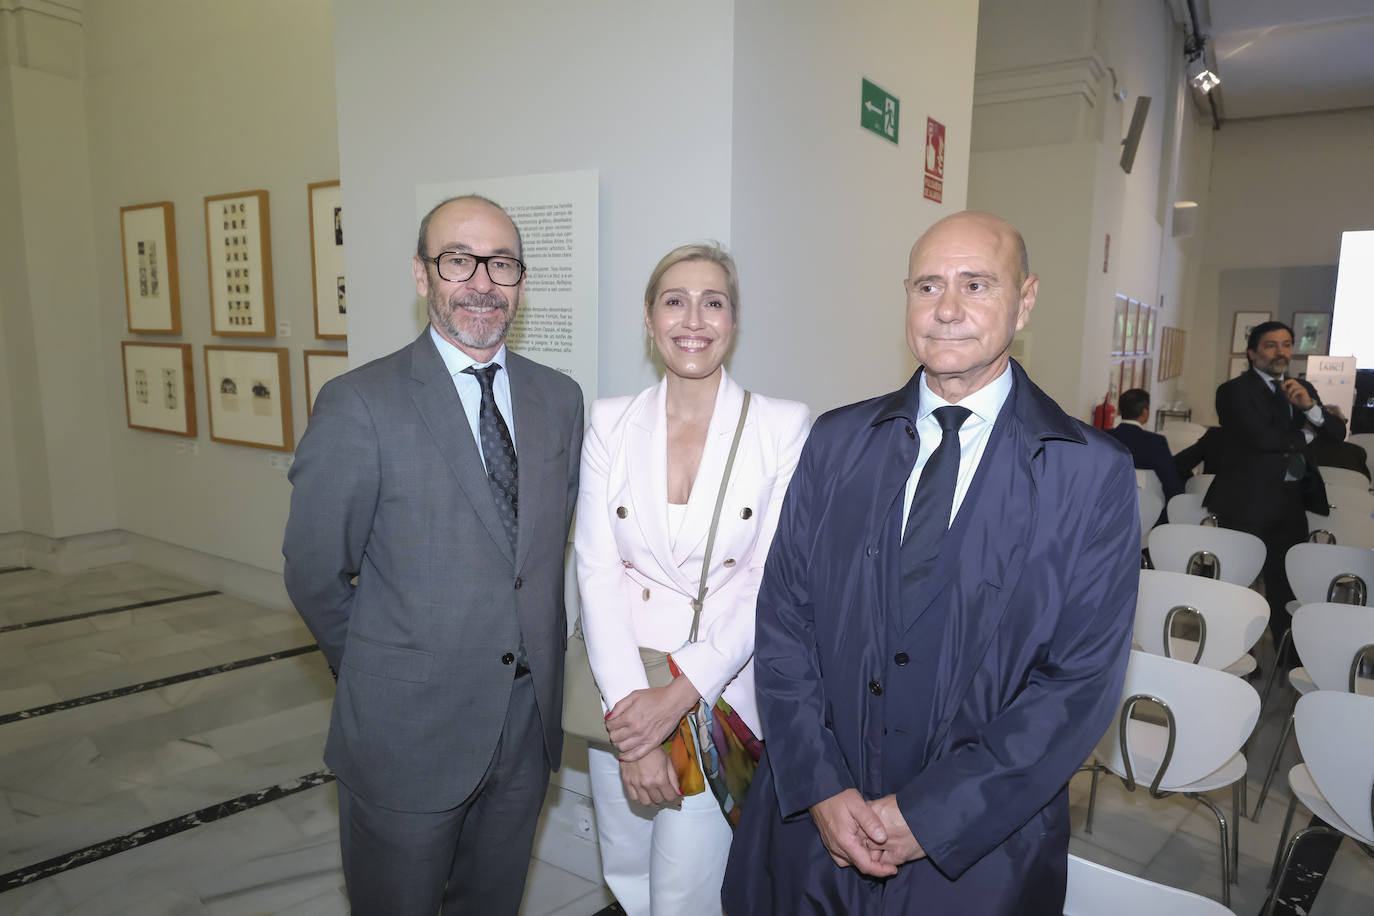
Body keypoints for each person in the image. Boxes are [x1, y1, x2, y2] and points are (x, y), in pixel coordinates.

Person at [722, 211, 1140, 914]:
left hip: (977, 851)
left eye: (976, 284)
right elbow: (784, 622)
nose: (947, 310)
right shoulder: (838, 442)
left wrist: (929, 817)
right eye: (927, 286)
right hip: (813, 831)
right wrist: (820, 786)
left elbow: (1076, 686)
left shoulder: (1088, 474)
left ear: (1025, 299)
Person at [282, 195, 584, 915]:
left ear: (520, 280)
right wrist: (384, 672)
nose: (482, 282)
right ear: (423, 276)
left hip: (522, 732)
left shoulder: (559, 400)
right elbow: (314, 571)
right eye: (459, 260)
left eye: (502, 263)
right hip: (405, 735)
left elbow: (535, 559)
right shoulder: (361, 404)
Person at [575, 244, 809, 915]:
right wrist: (633, 716)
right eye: (674, 300)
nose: (693, 318)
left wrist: (676, 699)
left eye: (714, 302)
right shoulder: (610, 422)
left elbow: (771, 581)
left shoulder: (779, 426)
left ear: (733, 321)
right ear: (649, 321)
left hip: (715, 696)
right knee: (627, 874)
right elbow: (594, 571)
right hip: (620, 687)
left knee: (688, 892)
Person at [1204, 320, 1345, 647]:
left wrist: (1309, 408)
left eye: (1286, 344)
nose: (1280, 352)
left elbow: (1337, 434)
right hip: (1246, 503)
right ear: (1253, 354)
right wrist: (1308, 434)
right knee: (1239, 584)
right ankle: (1231, 652)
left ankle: (1289, 655)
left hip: (1292, 501)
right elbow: (1260, 438)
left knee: (1287, 584)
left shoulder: (1301, 389)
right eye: (1270, 345)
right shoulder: (1233, 391)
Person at [1107, 388, 1184, 506]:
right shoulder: (1156, 442)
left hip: (1108, 504)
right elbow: (1171, 484)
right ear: (1145, 412)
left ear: (1119, 410)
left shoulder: (1103, 437)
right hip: (1145, 508)